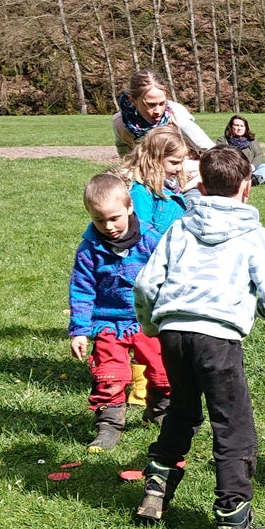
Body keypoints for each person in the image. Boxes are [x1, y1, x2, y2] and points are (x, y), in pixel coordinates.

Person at [132, 145, 265, 529]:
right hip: (217, 338)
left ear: (201, 186)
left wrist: (153, 325)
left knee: (183, 411)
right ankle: (233, 523)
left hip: (172, 333)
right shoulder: (255, 235)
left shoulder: (180, 228)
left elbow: (147, 284)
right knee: (232, 425)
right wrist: (261, 305)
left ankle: (156, 487)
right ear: (247, 188)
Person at [68, 172, 169, 451]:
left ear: (130, 208)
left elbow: (169, 278)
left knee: (163, 372)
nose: (108, 226)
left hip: (148, 321)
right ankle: (108, 426)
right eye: (99, 220)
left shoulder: (151, 240)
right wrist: (79, 330)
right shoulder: (90, 250)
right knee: (109, 375)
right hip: (108, 321)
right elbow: (81, 290)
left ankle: (160, 413)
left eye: (114, 218)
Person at [112, 68, 214, 158]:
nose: (158, 111)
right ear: (133, 100)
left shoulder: (177, 117)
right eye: (151, 105)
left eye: (162, 103)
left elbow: (211, 151)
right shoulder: (121, 123)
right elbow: (124, 152)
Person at [118, 124, 194, 235]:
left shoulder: (172, 187)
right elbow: (143, 231)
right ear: (154, 160)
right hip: (156, 249)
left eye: (181, 162)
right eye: (174, 162)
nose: (180, 168)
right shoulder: (141, 192)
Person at [223, 116, 265, 185]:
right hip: (233, 170)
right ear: (231, 127)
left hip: (251, 170)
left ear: (245, 128)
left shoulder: (251, 140)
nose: (239, 128)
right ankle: (258, 179)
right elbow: (221, 157)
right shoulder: (223, 140)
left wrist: (252, 166)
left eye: (242, 126)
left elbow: (259, 155)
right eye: (236, 125)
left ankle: (253, 180)